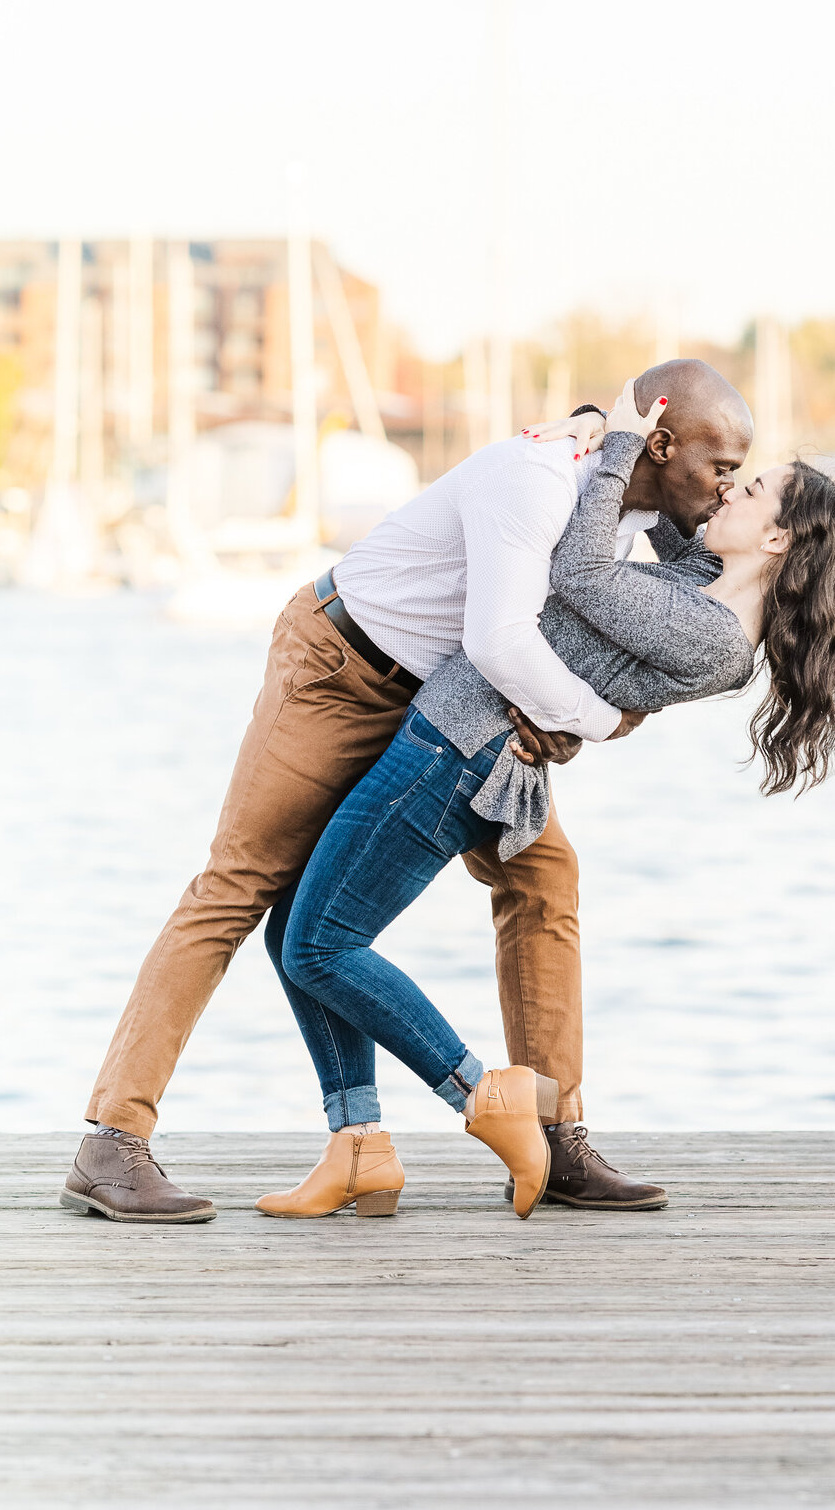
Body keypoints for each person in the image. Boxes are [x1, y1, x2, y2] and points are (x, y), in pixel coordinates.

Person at [61, 358, 754, 1223]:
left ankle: (556, 1136)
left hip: (453, 714)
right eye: (720, 468)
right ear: (657, 440)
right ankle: (111, 1142)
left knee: (544, 881)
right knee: (242, 887)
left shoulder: (631, 505)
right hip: (346, 668)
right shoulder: (535, 477)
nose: (729, 489)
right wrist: (591, 723)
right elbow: (503, 640)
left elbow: (679, 599)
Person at [253, 378, 835, 1220]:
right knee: (295, 915)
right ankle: (359, 1144)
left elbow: (578, 570)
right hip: (461, 735)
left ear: (776, 537)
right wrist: (603, 423)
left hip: (458, 752)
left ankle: (482, 1094)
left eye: (752, 486)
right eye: (732, 472)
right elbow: (661, 500)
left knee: (320, 943)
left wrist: (620, 444)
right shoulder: (704, 581)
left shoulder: (713, 631)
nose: (730, 486)